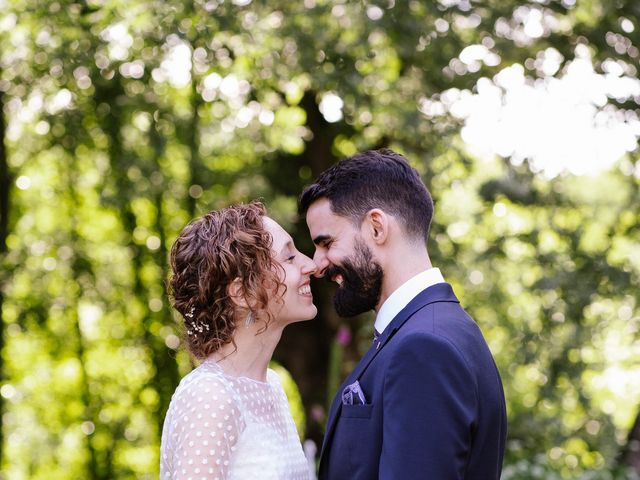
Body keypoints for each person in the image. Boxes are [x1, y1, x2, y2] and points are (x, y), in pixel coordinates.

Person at [299, 149, 507, 479]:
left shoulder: (425, 348)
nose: (317, 263)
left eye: (326, 242)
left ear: (377, 228)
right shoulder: (433, 330)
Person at [160, 202, 316, 480]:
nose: (311, 265)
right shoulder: (210, 396)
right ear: (243, 293)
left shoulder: (272, 387)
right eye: (290, 258)